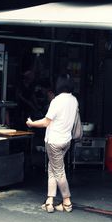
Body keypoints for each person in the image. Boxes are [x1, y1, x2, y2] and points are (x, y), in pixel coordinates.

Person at [26, 74, 78, 213]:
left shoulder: (57, 101)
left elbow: (45, 122)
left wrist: (31, 123)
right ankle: (49, 200)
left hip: (54, 141)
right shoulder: (74, 100)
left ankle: (67, 202)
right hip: (66, 140)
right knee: (53, 169)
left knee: (58, 172)